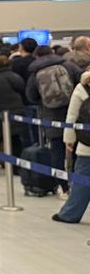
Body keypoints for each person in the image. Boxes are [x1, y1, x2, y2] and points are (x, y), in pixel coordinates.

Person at [26, 45, 81, 189]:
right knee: (76, 149)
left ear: (37, 56)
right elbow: (82, 83)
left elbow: (31, 96)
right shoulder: (69, 66)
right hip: (74, 114)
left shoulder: (35, 73)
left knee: (57, 151)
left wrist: (43, 102)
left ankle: (62, 186)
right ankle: (79, 183)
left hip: (51, 116)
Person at [53, 68, 90, 224]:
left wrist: (69, 140)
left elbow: (72, 116)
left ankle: (70, 214)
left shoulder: (82, 87)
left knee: (82, 180)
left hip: (87, 144)